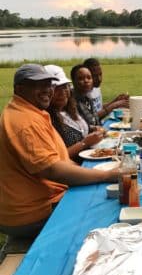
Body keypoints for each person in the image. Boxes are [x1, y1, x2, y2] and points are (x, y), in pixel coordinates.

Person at [0, 64, 123, 239]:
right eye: (38, 85)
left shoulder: (30, 112)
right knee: (106, 210)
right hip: (33, 213)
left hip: (43, 201)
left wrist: (93, 172)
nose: (47, 90)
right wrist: (106, 175)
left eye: (49, 84)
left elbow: (58, 159)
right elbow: (53, 170)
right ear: (19, 88)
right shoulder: (25, 122)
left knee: (104, 193)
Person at [45, 65, 105, 163]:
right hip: (76, 167)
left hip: (92, 156)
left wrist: (92, 128)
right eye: (56, 89)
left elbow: (78, 129)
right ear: (47, 92)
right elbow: (58, 157)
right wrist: (84, 143)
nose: (62, 92)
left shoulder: (69, 109)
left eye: (65, 86)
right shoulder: (48, 119)